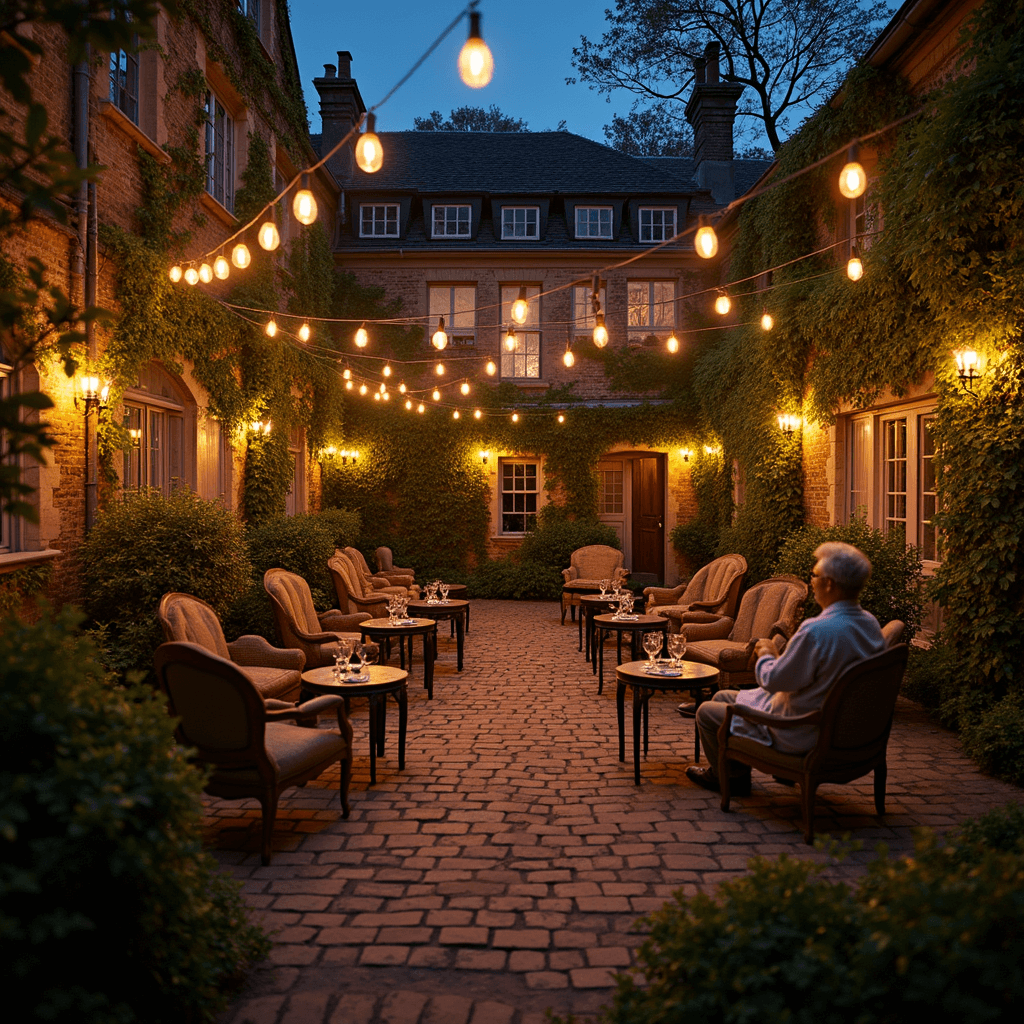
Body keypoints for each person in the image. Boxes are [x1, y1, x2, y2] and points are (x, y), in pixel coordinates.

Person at [685, 541, 886, 795]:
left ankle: (731, 778)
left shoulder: (817, 631)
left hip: (801, 732)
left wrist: (767, 652)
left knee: (706, 712)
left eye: (814, 575)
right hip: (847, 732)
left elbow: (774, 680)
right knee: (723, 696)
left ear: (830, 584)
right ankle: (740, 771)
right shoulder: (870, 624)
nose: (811, 581)